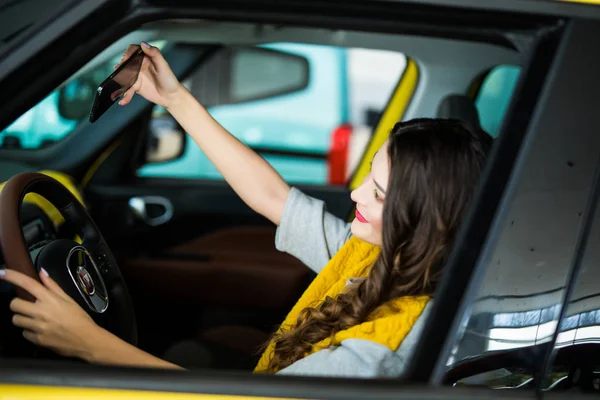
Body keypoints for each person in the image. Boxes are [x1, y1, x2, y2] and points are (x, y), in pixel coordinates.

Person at [0, 42, 493, 377]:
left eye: (380, 194)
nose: (358, 196)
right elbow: (273, 197)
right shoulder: (381, 255)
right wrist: (174, 98)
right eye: (368, 178)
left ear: (427, 220)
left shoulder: (379, 352)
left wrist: (85, 342)